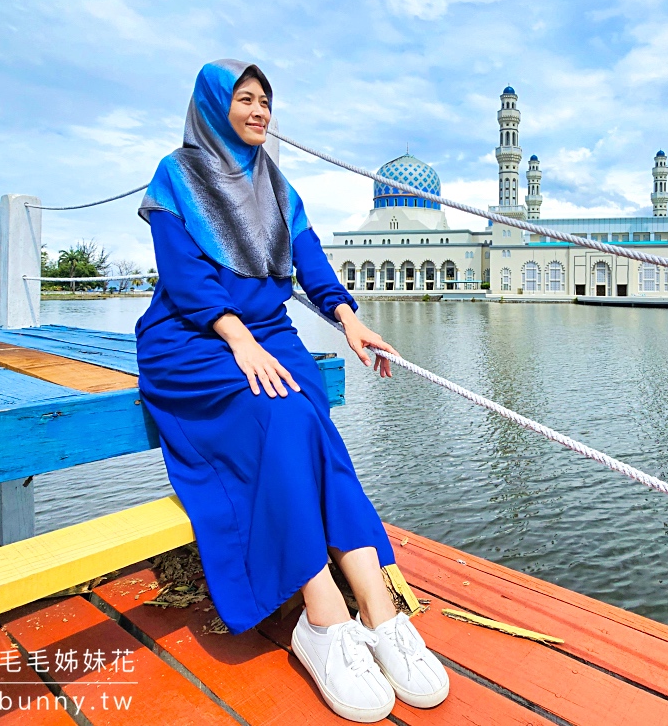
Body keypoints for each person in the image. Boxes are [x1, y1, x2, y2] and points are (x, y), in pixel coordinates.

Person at [134, 59, 449, 723]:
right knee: (283, 416)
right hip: (194, 337)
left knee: (312, 425)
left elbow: (310, 261)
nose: (258, 113)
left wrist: (350, 319)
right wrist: (237, 339)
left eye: (265, 103)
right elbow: (184, 275)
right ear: (214, 107)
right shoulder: (178, 175)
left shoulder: (275, 184)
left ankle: (381, 612)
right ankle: (324, 617)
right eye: (245, 100)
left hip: (268, 333)